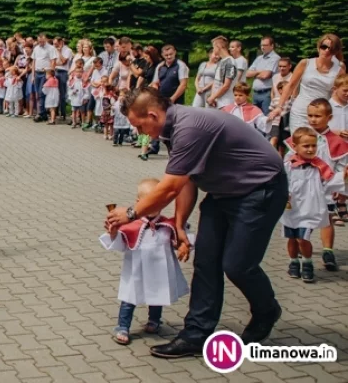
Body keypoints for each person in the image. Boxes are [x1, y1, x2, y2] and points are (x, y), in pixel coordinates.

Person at [107, 87, 287, 359]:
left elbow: (168, 188)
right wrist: (180, 224)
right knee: (206, 261)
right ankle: (196, 334)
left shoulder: (190, 127)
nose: (138, 132)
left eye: (138, 124)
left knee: (237, 264)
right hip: (223, 192)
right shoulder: (172, 128)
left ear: (153, 114)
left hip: (260, 189)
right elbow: (186, 180)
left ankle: (266, 310)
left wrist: (131, 213)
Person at [100, 178, 190, 346]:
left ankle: (154, 321)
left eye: (157, 203)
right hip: (136, 270)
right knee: (129, 299)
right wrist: (113, 233)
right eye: (149, 203)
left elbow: (180, 238)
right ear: (139, 203)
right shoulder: (132, 225)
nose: (153, 207)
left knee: (157, 295)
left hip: (159, 270)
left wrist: (184, 245)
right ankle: (123, 326)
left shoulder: (168, 224)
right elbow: (120, 243)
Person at [283, 98, 348, 271]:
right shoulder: (301, 135)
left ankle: (327, 250)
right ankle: (300, 250)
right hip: (302, 189)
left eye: (318, 116)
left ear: (329, 117)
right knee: (303, 222)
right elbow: (289, 160)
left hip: (327, 186)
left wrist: (342, 191)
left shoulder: (336, 141)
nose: (313, 119)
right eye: (310, 115)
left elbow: (342, 166)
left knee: (326, 219)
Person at [282, 127, 333, 284]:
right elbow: (280, 182)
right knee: (292, 238)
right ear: (295, 147)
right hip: (290, 209)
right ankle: (293, 262)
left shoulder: (320, 166)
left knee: (302, 239)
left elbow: (331, 181)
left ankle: (307, 263)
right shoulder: (288, 164)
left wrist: (342, 180)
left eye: (313, 145)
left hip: (309, 209)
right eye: (306, 146)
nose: (310, 149)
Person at [272, 34, 345, 132]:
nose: (327, 51)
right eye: (324, 47)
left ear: (336, 51)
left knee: (319, 145)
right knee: (298, 143)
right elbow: (290, 86)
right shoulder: (305, 63)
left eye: (331, 49)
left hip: (321, 114)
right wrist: (279, 107)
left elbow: (338, 94)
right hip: (300, 111)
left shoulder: (339, 69)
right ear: (318, 47)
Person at [247, 36, 281, 114]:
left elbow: (266, 75)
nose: (262, 47)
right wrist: (260, 72)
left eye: (265, 45)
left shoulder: (275, 58)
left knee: (266, 117)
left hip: (266, 93)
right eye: (261, 45)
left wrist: (255, 73)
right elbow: (248, 74)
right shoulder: (259, 58)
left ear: (272, 46)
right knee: (255, 117)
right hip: (255, 93)